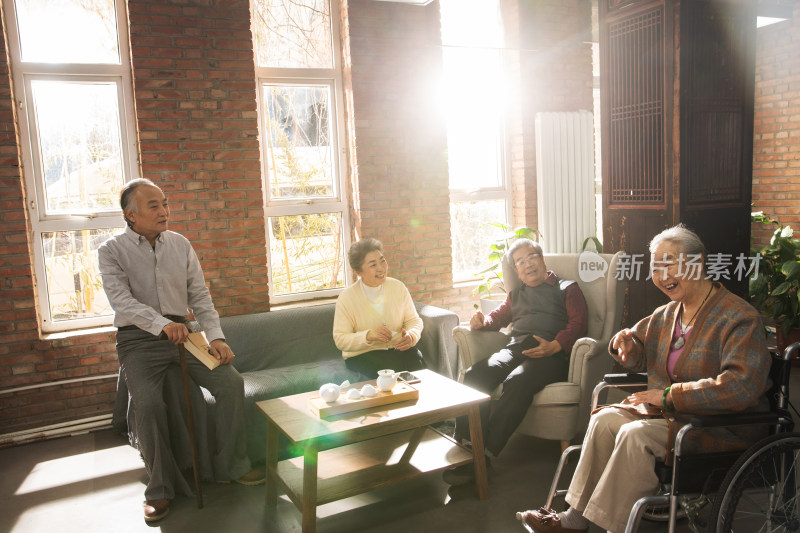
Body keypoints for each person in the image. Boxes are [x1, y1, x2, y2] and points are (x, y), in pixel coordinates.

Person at [516, 224, 771, 533]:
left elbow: (740, 387)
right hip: (670, 418)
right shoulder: (667, 313)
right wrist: (624, 346)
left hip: (715, 426)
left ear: (699, 263)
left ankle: (614, 527)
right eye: (656, 266)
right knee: (604, 420)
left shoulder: (738, 317)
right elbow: (636, 349)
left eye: (671, 263)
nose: (663, 275)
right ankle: (574, 520)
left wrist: (668, 396)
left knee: (633, 435)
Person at [99, 178, 263, 523]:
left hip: (184, 335)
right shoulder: (111, 251)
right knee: (147, 403)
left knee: (230, 383)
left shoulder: (181, 244)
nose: (164, 211)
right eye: (154, 206)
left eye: (165, 203)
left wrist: (216, 337)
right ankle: (159, 490)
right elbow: (122, 302)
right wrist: (159, 323)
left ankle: (231, 465)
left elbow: (199, 296)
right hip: (137, 339)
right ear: (131, 215)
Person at [444, 238, 588, 485]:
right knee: (473, 376)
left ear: (542, 260)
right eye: (520, 261)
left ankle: (486, 454)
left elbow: (578, 324)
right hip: (516, 348)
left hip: (551, 354)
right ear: (517, 271)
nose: (528, 264)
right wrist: (482, 322)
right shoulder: (516, 294)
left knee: (517, 381)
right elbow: (497, 318)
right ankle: (471, 451)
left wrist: (554, 346)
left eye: (531, 257)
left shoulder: (567, 288)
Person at [333, 238, 424, 378]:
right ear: (359, 271)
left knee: (418, 363)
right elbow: (340, 339)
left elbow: (414, 321)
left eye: (382, 261)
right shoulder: (346, 298)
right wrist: (368, 336)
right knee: (387, 373)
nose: (381, 268)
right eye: (373, 265)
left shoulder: (398, 287)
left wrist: (412, 335)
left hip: (397, 350)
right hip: (363, 355)